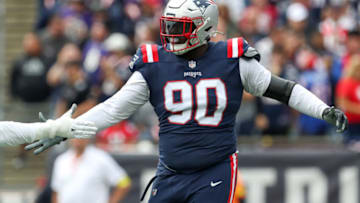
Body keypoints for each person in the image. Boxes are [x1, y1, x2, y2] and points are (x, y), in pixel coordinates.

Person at [4, 0, 348, 202]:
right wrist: (67, 129)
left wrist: (323, 109)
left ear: (203, 27)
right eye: (169, 25)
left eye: (180, 26)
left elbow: (283, 89)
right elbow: (114, 108)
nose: (170, 33)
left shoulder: (233, 58)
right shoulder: (155, 63)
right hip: (170, 172)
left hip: (215, 169)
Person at [51, 138, 131, 203]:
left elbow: (124, 183)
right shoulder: (61, 160)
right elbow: (56, 190)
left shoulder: (101, 158)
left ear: (88, 137)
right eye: (74, 135)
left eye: (81, 135)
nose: (77, 138)